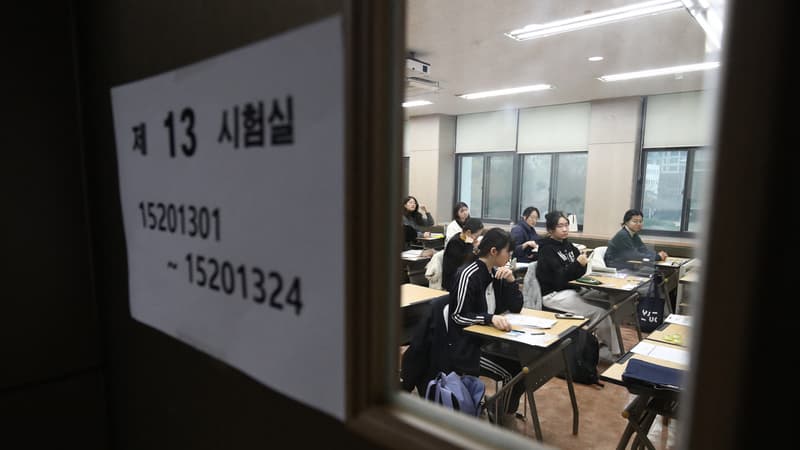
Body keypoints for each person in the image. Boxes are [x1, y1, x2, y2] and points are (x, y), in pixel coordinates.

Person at [448, 228, 524, 427]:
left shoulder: (496, 274)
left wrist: (511, 281)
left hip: (489, 341)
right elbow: (457, 316)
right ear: (493, 251)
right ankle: (503, 418)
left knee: (524, 365)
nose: (509, 257)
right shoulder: (468, 274)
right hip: (467, 347)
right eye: (508, 252)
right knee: (514, 373)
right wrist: (489, 318)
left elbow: (516, 307)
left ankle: (501, 408)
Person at [536, 211, 621, 355]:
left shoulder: (568, 246)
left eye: (566, 225)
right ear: (551, 230)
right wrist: (577, 264)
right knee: (599, 313)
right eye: (560, 226)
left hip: (572, 290)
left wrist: (582, 265)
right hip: (554, 294)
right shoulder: (546, 250)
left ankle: (601, 344)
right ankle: (616, 353)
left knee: (607, 304)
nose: (565, 229)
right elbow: (558, 280)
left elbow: (578, 273)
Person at [604, 209, 668, 270]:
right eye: (635, 221)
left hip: (626, 265)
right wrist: (657, 257)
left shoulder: (633, 234)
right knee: (651, 272)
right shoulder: (623, 235)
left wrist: (657, 255)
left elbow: (643, 250)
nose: (638, 224)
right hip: (615, 267)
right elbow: (634, 255)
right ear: (626, 222)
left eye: (640, 221)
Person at [441, 218, 484, 292]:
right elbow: (463, 263)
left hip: (465, 277)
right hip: (454, 281)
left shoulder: (468, 240)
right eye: (477, 236)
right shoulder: (455, 243)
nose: (477, 239)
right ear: (468, 232)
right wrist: (474, 248)